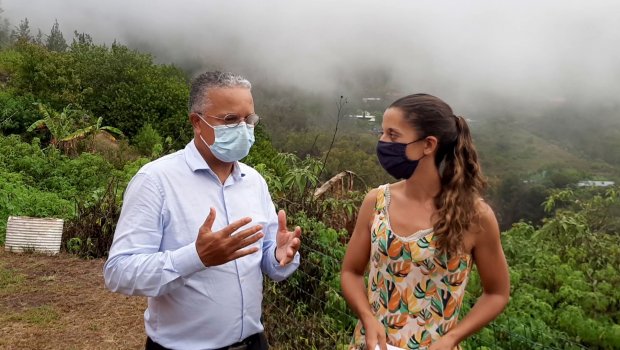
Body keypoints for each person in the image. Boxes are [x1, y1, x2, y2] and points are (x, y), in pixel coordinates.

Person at [104, 71, 301, 350]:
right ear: (198, 122)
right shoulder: (156, 181)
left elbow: (269, 261)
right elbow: (119, 272)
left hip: (254, 343)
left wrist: (280, 256)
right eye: (231, 120)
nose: (244, 128)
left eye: (250, 119)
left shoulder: (253, 181)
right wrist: (196, 257)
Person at [341, 94, 510, 350]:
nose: (382, 142)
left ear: (428, 145)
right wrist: (367, 317)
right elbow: (351, 272)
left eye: (393, 135)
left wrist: (452, 338)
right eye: (382, 133)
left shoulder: (474, 217)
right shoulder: (376, 202)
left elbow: (497, 293)